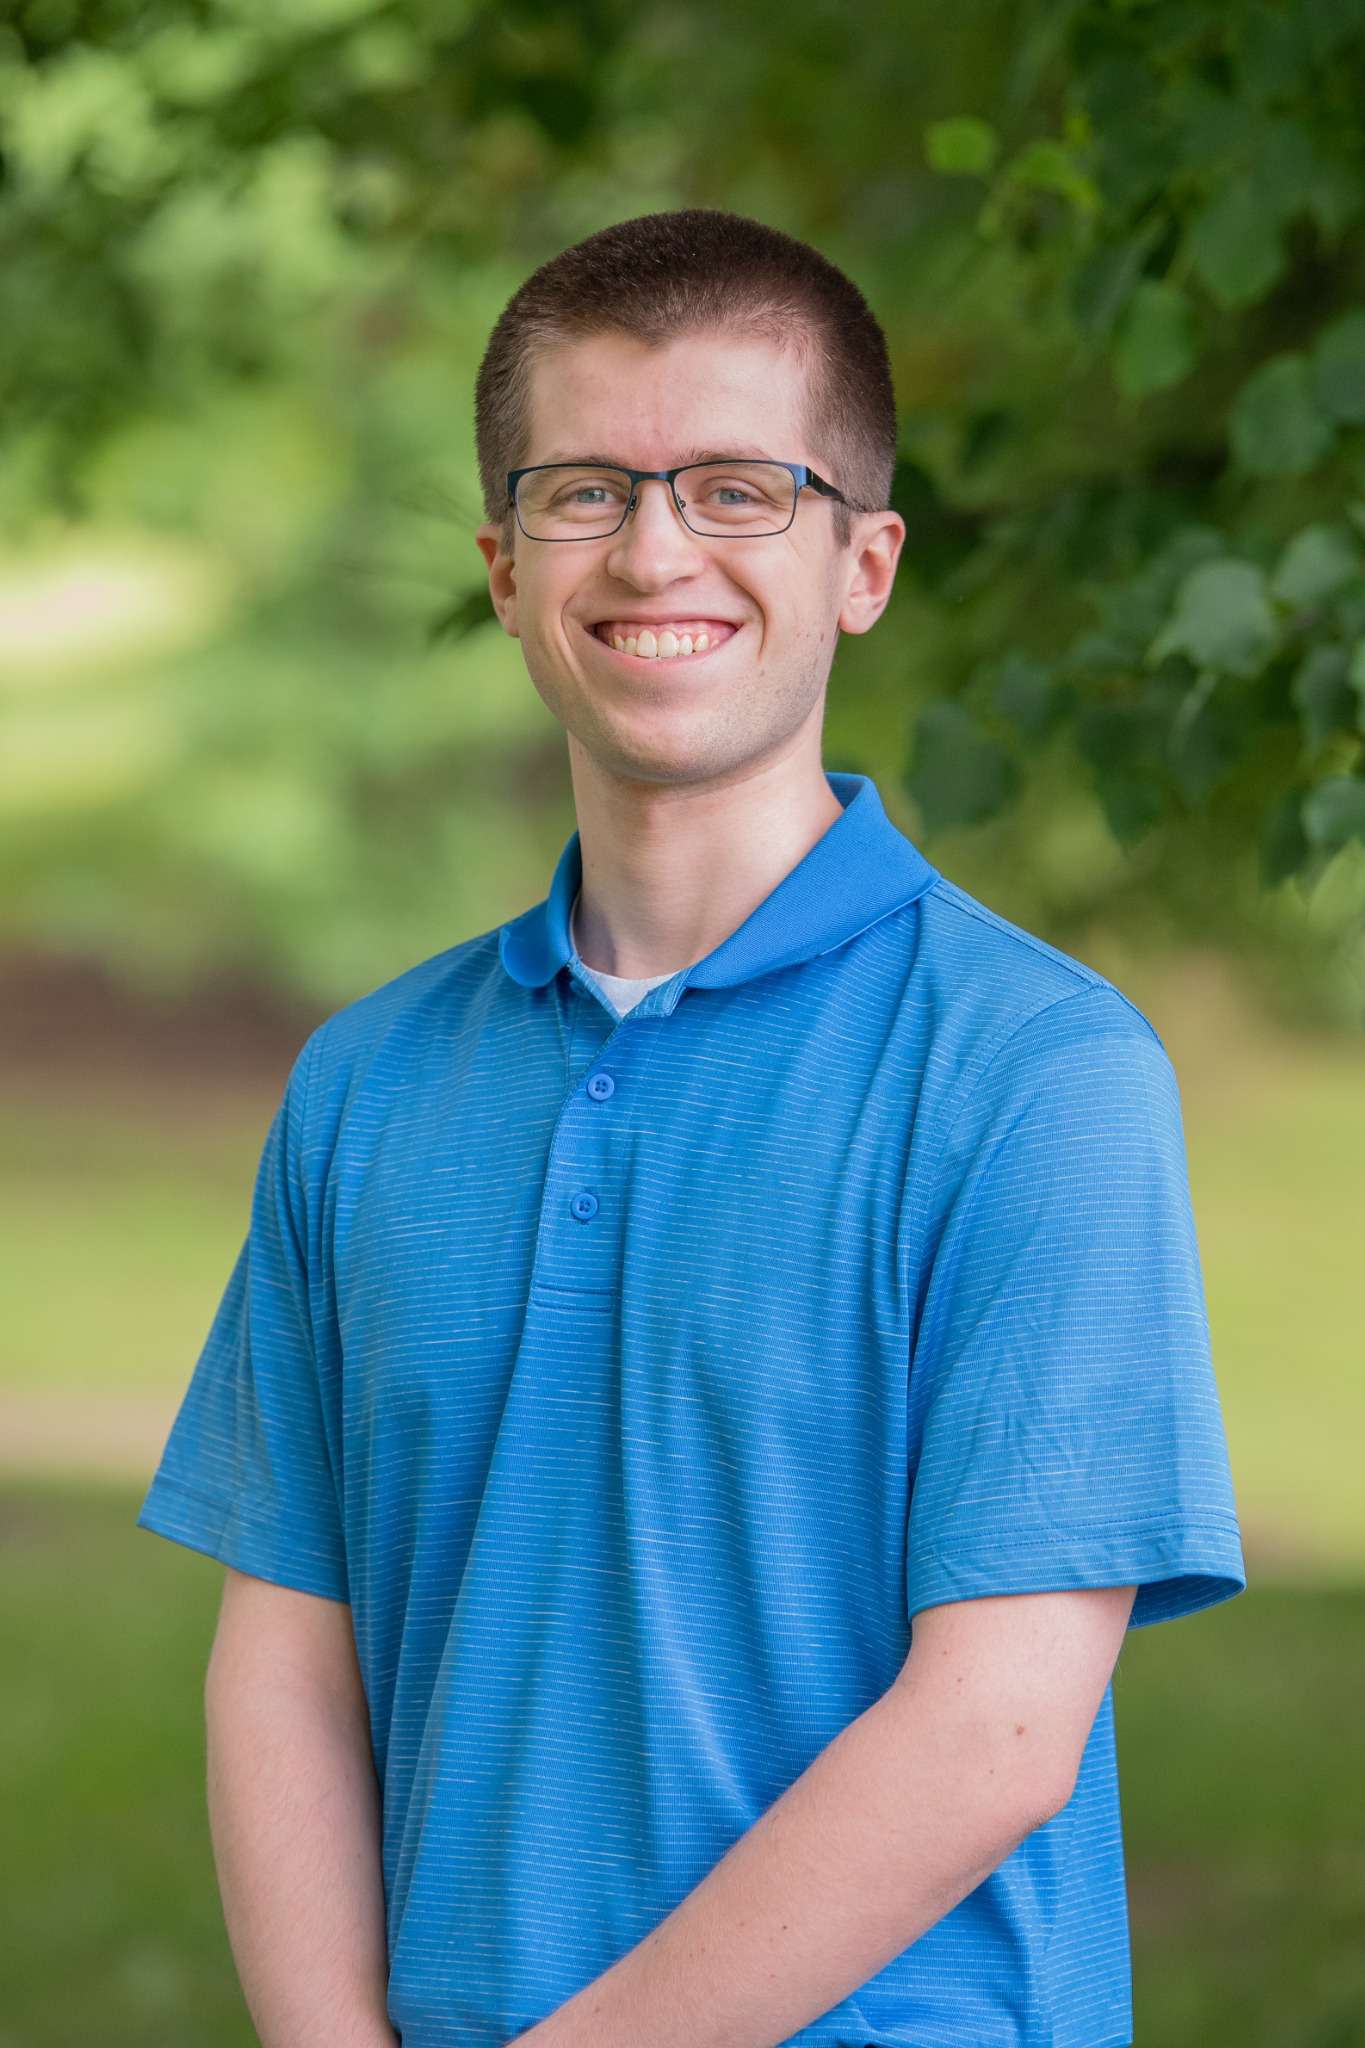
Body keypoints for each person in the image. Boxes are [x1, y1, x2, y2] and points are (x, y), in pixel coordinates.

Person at [136, 207, 1247, 2048]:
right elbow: (284, 1657)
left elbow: (999, 1728)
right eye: (584, 491)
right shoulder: (368, 1083)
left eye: (740, 487)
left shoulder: (1035, 1071)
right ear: (501, 566)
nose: (655, 547)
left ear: (862, 562)